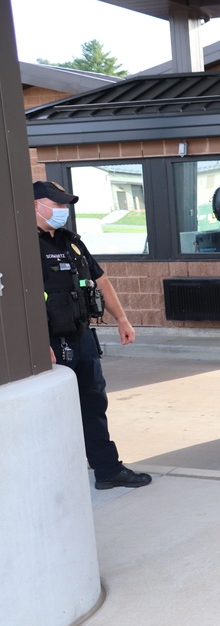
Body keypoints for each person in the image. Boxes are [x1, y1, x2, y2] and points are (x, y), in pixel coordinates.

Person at [34, 180, 152, 491]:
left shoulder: (71, 242)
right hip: (51, 342)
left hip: (82, 336)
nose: (63, 210)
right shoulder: (23, 247)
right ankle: (55, 477)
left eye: (64, 205)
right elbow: (20, 299)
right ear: (36, 205)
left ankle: (107, 469)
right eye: (57, 204)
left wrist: (122, 319)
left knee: (93, 404)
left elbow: (101, 282)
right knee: (55, 411)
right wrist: (36, 343)